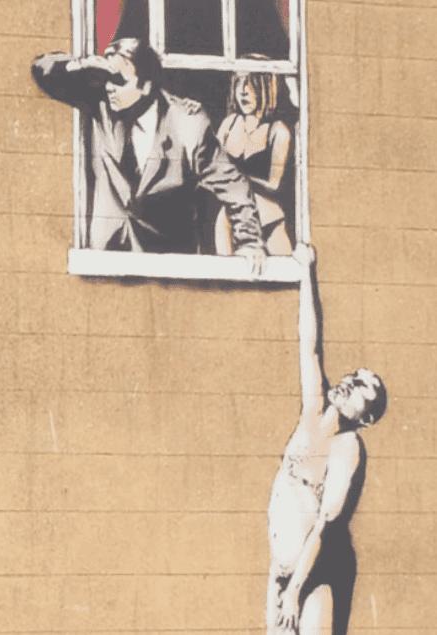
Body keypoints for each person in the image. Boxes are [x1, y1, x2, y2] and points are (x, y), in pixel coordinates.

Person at [31, 38, 266, 273]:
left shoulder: (187, 124)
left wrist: (249, 243)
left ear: (146, 85)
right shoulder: (102, 104)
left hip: (165, 268)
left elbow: (234, 186)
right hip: (105, 265)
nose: (109, 87)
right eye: (107, 80)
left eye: (119, 81)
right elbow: (42, 71)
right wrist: (82, 66)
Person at [266, 243, 387, 635]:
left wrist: (296, 591)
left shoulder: (348, 447)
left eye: (360, 391)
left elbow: (324, 524)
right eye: (355, 376)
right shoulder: (313, 410)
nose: (351, 382)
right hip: (283, 575)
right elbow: (309, 343)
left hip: (314, 579)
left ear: (364, 419)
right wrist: (306, 273)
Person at [215, 59, 294, 256]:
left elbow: (274, 185)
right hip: (231, 216)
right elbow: (212, 170)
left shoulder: (278, 131)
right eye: (239, 83)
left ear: (266, 87)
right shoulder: (228, 124)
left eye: (251, 83)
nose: (243, 91)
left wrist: (237, 177)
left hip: (268, 217)